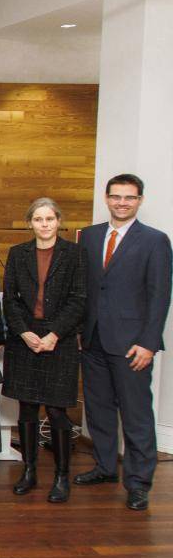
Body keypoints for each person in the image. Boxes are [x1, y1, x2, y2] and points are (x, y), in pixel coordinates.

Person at [76, 174, 171, 511]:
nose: (122, 203)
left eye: (129, 197)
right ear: (107, 198)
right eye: (116, 196)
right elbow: (84, 288)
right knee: (98, 411)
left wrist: (148, 343)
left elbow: (159, 296)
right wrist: (79, 331)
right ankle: (104, 468)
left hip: (132, 345)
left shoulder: (155, 240)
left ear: (139, 200)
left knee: (136, 415)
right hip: (93, 341)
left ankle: (139, 482)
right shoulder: (89, 236)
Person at [2, 198, 87, 503]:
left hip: (59, 340)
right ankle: (29, 471)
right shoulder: (17, 253)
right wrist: (24, 332)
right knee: (27, 408)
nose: (44, 224)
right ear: (30, 223)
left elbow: (79, 299)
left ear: (58, 221)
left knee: (56, 409)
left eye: (49, 219)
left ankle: (62, 476)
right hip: (24, 338)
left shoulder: (75, 253)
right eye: (38, 219)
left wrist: (54, 334)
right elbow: (10, 299)